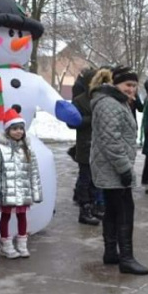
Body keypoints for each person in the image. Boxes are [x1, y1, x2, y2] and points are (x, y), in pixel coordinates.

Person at [90, 65, 148, 275]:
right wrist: (125, 169)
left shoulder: (117, 102)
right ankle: (126, 258)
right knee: (124, 212)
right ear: (116, 84)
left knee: (114, 211)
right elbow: (111, 140)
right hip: (113, 168)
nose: (131, 89)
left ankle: (111, 252)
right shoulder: (109, 104)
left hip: (112, 167)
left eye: (134, 85)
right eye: (128, 85)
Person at [0, 109, 42, 259]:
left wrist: (36, 192)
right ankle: (6, 245)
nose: (18, 131)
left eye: (21, 128)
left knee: (22, 217)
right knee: (6, 217)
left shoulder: (27, 150)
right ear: (8, 130)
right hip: (7, 192)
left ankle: (22, 244)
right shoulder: (0, 149)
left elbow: (34, 172)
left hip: (23, 191)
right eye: (14, 128)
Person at [69, 67, 102, 225]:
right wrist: (92, 118)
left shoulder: (101, 98)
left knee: (96, 179)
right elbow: (72, 122)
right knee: (86, 179)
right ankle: (85, 209)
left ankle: (95, 206)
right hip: (85, 145)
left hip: (101, 145)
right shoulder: (79, 100)